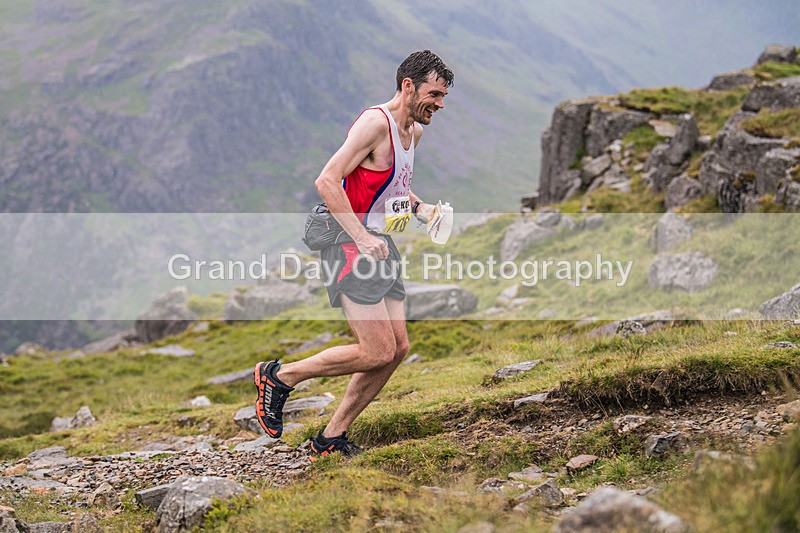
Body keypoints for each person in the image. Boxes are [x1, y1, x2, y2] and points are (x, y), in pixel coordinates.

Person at [254, 50, 453, 459]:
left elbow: (395, 185)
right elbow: (327, 181)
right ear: (408, 86)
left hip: (381, 243)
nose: (440, 104)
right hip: (350, 242)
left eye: (444, 96)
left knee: (396, 349)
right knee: (376, 349)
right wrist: (361, 237)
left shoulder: (413, 132)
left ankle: (331, 437)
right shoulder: (374, 123)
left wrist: (420, 209)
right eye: (434, 94)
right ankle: (280, 376)